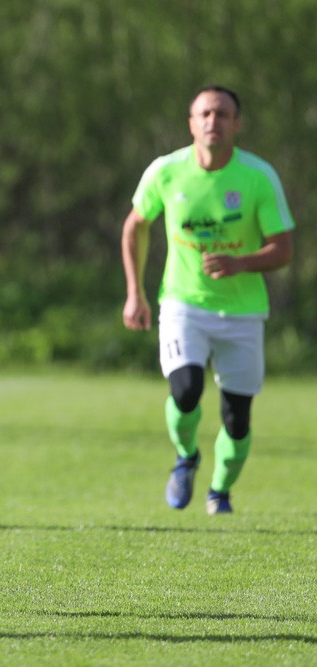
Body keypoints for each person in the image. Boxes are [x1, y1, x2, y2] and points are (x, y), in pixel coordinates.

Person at [122, 85, 295, 515]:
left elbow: (283, 249)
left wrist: (240, 263)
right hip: (183, 304)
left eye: (222, 114)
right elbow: (135, 225)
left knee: (237, 418)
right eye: (204, 114)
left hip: (243, 312)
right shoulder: (166, 171)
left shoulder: (258, 176)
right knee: (185, 389)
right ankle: (186, 457)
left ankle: (219, 491)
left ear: (237, 124)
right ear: (191, 123)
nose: (212, 121)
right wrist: (135, 293)